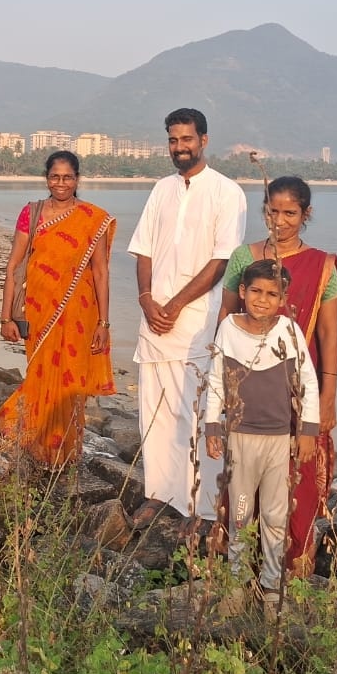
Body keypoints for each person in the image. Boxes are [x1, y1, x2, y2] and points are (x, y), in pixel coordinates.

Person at [128, 108, 246, 528]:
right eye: (173, 140)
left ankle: (202, 508)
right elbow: (143, 248)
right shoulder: (161, 189)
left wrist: (175, 304)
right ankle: (157, 496)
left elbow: (222, 262)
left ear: (204, 140)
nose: (180, 147)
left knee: (197, 415)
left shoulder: (227, 192)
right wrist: (146, 298)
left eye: (187, 139)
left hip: (196, 324)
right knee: (154, 413)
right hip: (154, 324)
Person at [218, 176, 337, 576]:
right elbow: (228, 321)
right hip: (248, 396)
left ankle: (286, 573)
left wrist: (326, 399)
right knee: (241, 487)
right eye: (273, 211)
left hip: (297, 394)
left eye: (291, 213)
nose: (281, 221)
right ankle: (240, 573)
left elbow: (328, 336)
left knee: (295, 484)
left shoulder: (323, 267)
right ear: (264, 210)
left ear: (306, 215)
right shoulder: (244, 258)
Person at [206, 260, 319, 618]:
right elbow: (215, 381)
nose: (262, 300)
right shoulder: (227, 328)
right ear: (242, 292)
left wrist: (308, 431)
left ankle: (271, 588)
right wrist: (212, 427)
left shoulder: (288, 330)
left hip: (278, 440)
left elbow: (308, 382)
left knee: (275, 514)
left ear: (283, 298)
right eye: (255, 291)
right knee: (241, 513)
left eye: (272, 294)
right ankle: (237, 585)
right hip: (240, 438)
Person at [0, 150, 116, 469]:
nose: (61, 183)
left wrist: (104, 323)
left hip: (79, 314)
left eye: (68, 177)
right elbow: (14, 265)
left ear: (77, 179)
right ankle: (32, 440)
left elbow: (100, 272)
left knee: (70, 385)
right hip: (38, 309)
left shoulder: (94, 218)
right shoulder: (32, 213)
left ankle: (62, 452)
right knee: (39, 375)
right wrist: (6, 317)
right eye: (55, 177)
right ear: (47, 178)